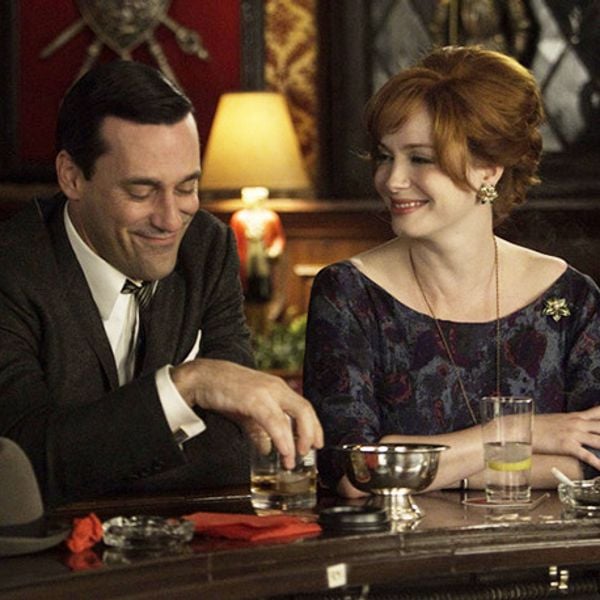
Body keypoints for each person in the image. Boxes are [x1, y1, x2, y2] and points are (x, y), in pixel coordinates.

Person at [0, 60, 322, 507]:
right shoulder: (13, 268)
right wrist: (186, 387)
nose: (171, 220)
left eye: (186, 188)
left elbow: (234, 452)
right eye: (141, 192)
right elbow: (23, 468)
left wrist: (90, 461)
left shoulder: (207, 247)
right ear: (72, 177)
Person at [303, 46, 600, 498]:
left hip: (549, 544)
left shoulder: (571, 299)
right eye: (385, 156)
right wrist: (518, 432)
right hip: (402, 546)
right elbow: (355, 473)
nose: (392, 180)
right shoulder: (348, 293)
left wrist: (421, 466)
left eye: (420, 159)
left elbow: (591, 461)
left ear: (488, 170)